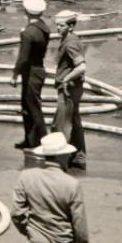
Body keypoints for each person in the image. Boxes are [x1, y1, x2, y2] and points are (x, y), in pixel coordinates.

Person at [12, 131, 89, 243]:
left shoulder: (27, 177)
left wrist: (29, 230)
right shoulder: (72, 184)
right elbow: (80, 225)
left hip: (38, 242)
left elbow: (16, 213)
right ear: (62, 156)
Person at [11, 0, 50, 151]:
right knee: (28, 107)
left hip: (31, 72)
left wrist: (14, 74)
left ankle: (42, 142)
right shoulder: (43, 28)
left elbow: (23, 58)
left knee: (33, 109)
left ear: (26, 11)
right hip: (39, 70)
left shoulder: (28, 33)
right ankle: (30, 140)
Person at [52, 11, 87, 170]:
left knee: (63, 123)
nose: (58, 28)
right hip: (74, 87)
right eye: (57, 25)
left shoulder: (70, 42)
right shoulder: (69, 38)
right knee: (74, 121)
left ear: (71, 26)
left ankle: (61, 160)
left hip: (69, 88)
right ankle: (79, 156)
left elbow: (81, 66)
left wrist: (66, 79)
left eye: (62, 25)